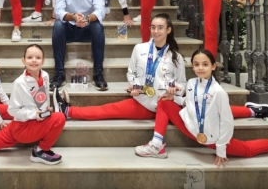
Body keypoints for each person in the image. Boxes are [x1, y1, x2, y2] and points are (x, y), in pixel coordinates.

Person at [141, 48, 268, 165]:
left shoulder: (218, 92)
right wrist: (175, 99)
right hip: (190, 126)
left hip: (211, 136)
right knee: (164, 100)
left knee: (246, 150)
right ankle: (156, 145)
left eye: (205, 64)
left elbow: (226, 123)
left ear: (213, 66)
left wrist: (220, 149)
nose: (200, 68)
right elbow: (188, 103)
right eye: (196, 64)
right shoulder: (191, 83)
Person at [53, 14, 186, 123]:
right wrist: (135, 85)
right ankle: (66, 111)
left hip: (163, 105)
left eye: (160, 28)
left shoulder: (177, 57)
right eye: (153, 27)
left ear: (168, 30)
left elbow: (182, 84)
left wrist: (174, 90)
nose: (156, 31)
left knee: (108, 110)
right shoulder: (140, 48)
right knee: (107, 109)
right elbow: (131, 72)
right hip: (142, 100)